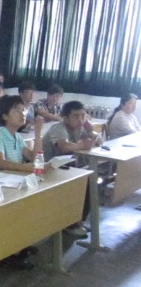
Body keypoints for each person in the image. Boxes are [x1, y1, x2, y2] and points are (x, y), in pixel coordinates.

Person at [43, 101, 102, 238]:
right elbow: (64, 147)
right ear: (65, 117)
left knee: (90, 181)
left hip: (66, 168)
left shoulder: (79, 128)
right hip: (49, 169)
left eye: (83, 116)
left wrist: (90, 131)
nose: (80, 120)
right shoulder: (59, 128)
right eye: (76, 116)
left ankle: (76, 220)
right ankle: (69, 224)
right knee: (83, 183)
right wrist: (82, 145)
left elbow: (99, 141)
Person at [0, 95, 47, 173]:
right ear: (5, 116)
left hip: (10, 178)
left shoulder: (18, 137)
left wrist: (38, 133)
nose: (22, 114)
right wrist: (26, 167)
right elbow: (1, 164)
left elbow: (34, 158)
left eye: (23, 109)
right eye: (17, 110)